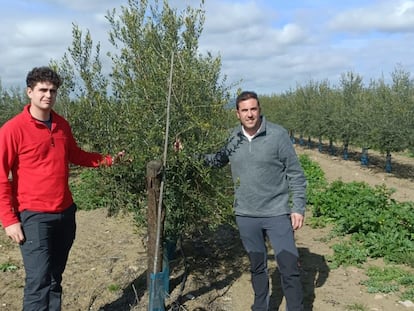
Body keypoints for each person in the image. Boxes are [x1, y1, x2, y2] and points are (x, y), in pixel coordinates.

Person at [0, 66, 124, 311]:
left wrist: (109, 160)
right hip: (34, 215)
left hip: (65, 213)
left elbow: (76, 155)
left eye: (53, 91)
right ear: (29, 92)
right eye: (42, 90)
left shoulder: (61, 125)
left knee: (55, 277)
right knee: (38, 281)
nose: (48, 95)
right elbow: (1, 176)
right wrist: (9, 219)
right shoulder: (12, 130)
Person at [202, 91, 306, 310]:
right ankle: (260, 307)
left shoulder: (277, 135)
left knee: (288, 266)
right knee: (258, 266)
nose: (250, 114)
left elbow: (295, 173)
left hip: (276, 213)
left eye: (253, 109)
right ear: (237, 114)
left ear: (259, 109)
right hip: (246, 215)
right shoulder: (232, 138)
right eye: (245, 110)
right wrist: (188, 155)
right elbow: (216, 161)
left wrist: (297, 208)